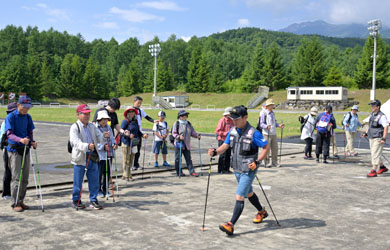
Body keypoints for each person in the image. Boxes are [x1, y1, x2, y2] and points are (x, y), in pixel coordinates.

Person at [208, 105, 269, 236]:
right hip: (236, 168)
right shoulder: (233, 131)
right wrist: (215, 152)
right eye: (232, 119)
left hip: (248, 169)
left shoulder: (254, 133)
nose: (234, 121)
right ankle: (261, 211)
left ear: (245, 117)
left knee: (240, 195)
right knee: (249, 193)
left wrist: (257, 161)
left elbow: (266, 147)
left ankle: (230, 225)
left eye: (237, 119)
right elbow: (225, 145)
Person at [5, 96, 38, 212]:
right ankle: (14, 202)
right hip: (14, 151)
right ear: (19, 105)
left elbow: (30, 132)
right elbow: (9, 134)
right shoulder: (11, 117)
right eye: (25, 107)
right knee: (16, 177)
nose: (27, 110)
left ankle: (21, 200)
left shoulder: (28, 117)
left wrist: (32, 141)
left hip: (25, 149)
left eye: (29, 107)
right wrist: (20, 139)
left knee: (25, 178)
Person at [70, 104, 105, 210]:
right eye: (84, 114)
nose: (87, 116)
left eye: (88, 113)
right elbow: (75, 142)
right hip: (81, 157)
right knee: (78, 180)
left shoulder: (92, 126)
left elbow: (99, 136)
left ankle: (93, 200)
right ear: (78, 114)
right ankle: (76, 200)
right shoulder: (74, 127)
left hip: (92, 156)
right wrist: (87, 146)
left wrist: (104, 137)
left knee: (94, 179)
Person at [362, 100, 389, 177]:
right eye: (371, 106)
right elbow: (370, 126)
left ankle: (373, 170)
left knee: (375, 154)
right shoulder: (372, 114)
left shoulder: (382, 116)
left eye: (373, 106)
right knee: (375, 153)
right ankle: (382, 167)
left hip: (378, 138)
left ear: (378, 107)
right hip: (371, 137)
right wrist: (366, 133)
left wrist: (383, 138)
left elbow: (386, 127)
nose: (371, 107)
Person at [121, 108, 148, 181]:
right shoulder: (125, 121)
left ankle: (128, 174)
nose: (131, 113)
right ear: (127, 113)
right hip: (126, 143)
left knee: (131, 159)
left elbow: (138, 131)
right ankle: (126, 175)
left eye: (133, 111)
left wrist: (143, 135)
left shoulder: (135, 121)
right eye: (129, 112)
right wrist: (128, 135)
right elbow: (121, 132)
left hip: (134, 143)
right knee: (126, 160)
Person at [172, 110, 201, 177]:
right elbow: (174, 133)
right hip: (179, 144)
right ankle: (179, 172)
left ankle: (192, 171)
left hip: (187, 144)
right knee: (178, 159)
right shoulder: (176, 123)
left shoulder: (188, 123)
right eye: (184, 115)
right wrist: (179, 136)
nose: (185, 116)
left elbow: (192, 132)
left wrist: (197, 135)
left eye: (186, 115)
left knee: (188, 159)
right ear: (180, 116)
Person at [95, 110, 117, 197]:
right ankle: (98, 190)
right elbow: (95, 142)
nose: (104, 121)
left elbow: (112, 138)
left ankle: (106, 190)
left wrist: (114, 144)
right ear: (99, 120)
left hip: (109, 153)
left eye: (106, 119)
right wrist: (102, 147)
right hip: (100, 155)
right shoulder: (96, 129)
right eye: (102, 119)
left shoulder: (109, 128)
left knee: (107, 173)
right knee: (99, 173)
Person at [132, 96, 157, 170]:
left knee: (138, 150)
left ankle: (136, 164)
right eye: (138, 103)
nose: (139, 104)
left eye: (140, 103)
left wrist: (153, 121)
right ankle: (131, 165)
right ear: (134, 102)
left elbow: (147, 117)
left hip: (139, 133)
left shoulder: (140, 110)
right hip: (132, 133)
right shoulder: (130, 110)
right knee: (132, 150)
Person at [259, 99, 284, 167]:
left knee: (275, 148)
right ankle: (266, 162)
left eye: (273, 104)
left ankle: (274, 162)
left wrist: (279, 125)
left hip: (273, 133)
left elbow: (274, 123)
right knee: (266, 149)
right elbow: (261, 124)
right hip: (266, 134)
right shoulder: (263, 113)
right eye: (272, 104)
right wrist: (266, 126)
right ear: (268, 106)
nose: (273, 105)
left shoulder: (272, 113)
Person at [1, 102, 17, 200]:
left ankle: (14, 191)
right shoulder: (6, 122)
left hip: (17, 149)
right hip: (7, 149)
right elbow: (2, 137)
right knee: (8, 171)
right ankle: (6, 193)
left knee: (16, 172)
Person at [215, 107, 234, 173]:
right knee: (222, 154)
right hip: (222, 140)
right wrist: (227, 133)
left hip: (229, 140)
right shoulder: (222, 120)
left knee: (228, 154)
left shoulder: (232, 121)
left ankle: (226, 169)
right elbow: (218, 131)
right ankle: (220, 169)